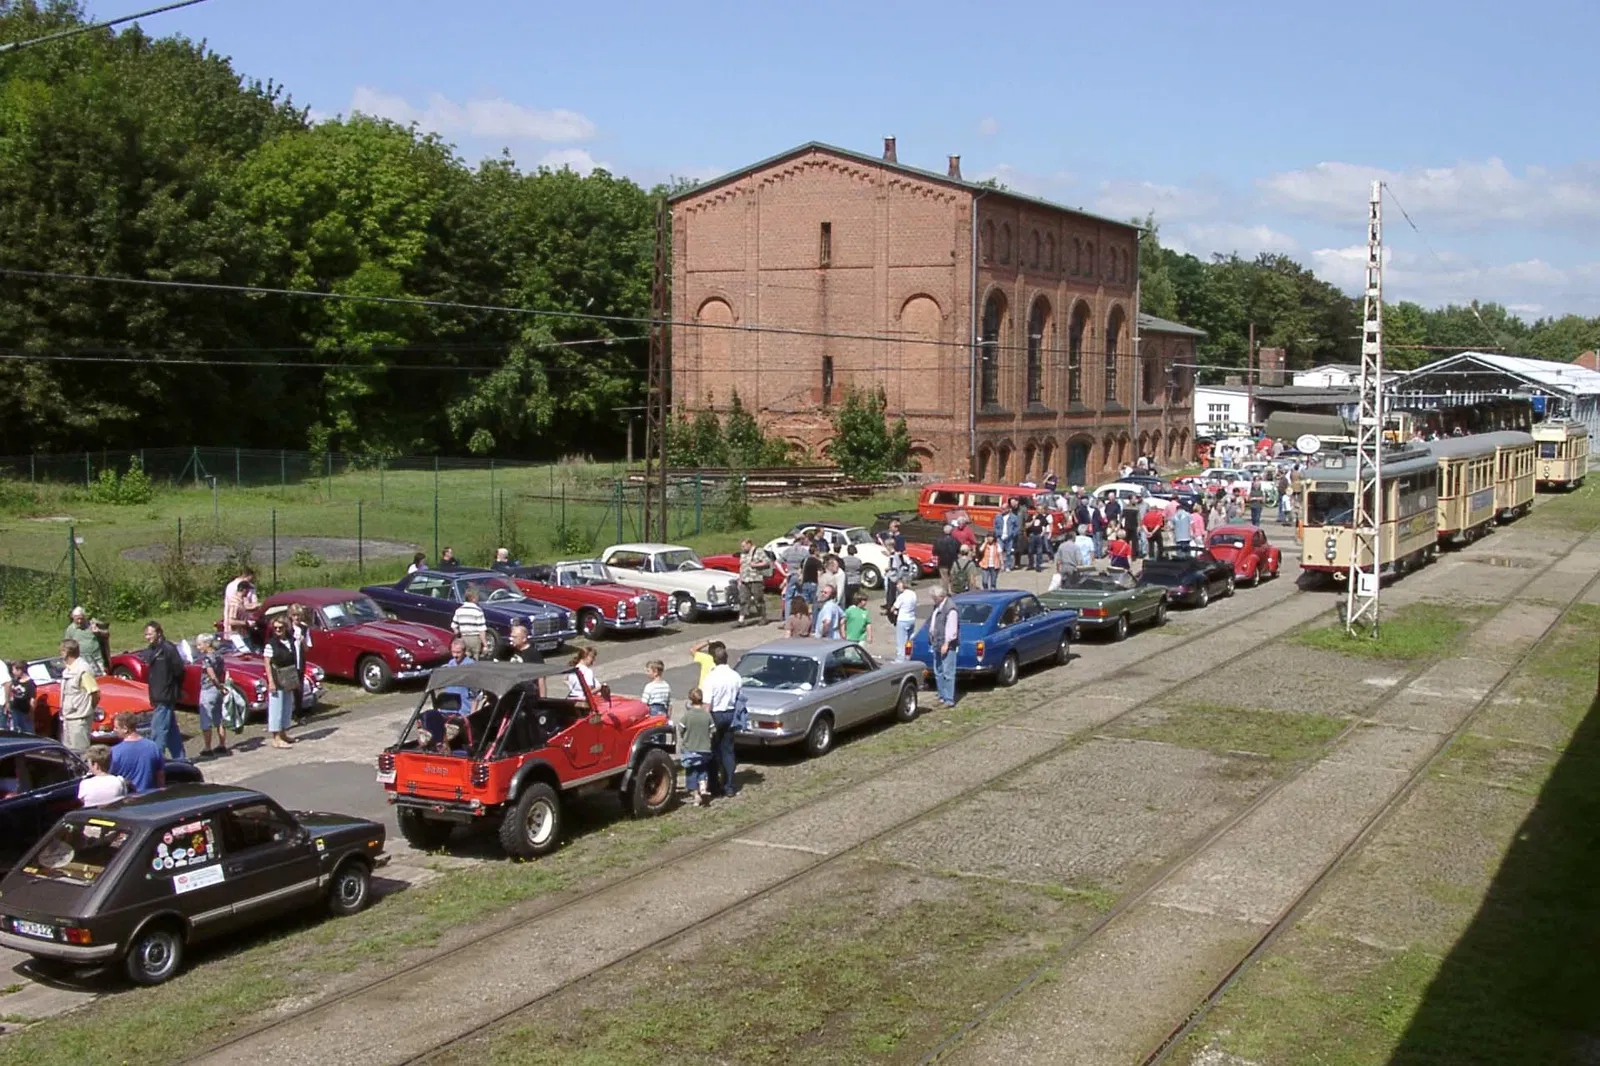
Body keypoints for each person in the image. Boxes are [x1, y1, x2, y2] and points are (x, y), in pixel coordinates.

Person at [140, 622, 186, 759]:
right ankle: (180, 759)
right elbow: (147, 660)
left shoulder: (168, 649)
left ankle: (157, 760)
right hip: (157, 694)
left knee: (158, 730)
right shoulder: (152, 650)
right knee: (172, 731)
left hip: (165, 695)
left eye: (150, 634)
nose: (147, 637)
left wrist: (174, 688)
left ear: (159, 633)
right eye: (146, 634)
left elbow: (179, 670)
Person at [703, 645, 743, 799]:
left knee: (713, 751)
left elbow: (707, 704)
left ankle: (714, 786)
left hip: (716, 714)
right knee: (728, 750)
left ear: (714, 660)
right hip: (731, 713)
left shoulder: (710, 678)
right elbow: (739, 695)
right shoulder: (735, 676)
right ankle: (729, 786)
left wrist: (706, 723)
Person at [262, 614, 299, 749]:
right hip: (277, 678)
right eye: (276, 628)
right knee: (276, 708)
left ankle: (283, 733)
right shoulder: (271, 644)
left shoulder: (290, 640)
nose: (278, 630)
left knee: (287, 706)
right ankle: (276, 738)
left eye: (280, 628)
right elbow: (267, 663)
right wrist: (270, 681)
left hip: (288, 676)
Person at [55, 639, 99, 751]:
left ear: (66, 652)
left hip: (79, 720)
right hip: (68, 718)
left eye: (61, 651)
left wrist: (87, 709)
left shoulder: (83, 669)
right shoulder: (68, 669)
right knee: (68, 752)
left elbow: (95, 693)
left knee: (81, 752)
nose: (60, 653)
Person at [194, 633, 231, 758]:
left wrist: (218, 685)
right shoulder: (219, 655)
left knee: (206, 719)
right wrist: (222, 686)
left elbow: (212, 675)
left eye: (200, 644)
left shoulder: (206, 659)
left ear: (207, 644)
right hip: (218, 691)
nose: (198, 647)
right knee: (219, 718)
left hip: (208, 689)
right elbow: (224, 671)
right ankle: (222, 744)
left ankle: (207, 747)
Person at [676, 688, 715, 807]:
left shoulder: (688, 716)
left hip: (690, 748)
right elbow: (713, 730)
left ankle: (696, 796)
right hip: (704, 749)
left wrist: (684, 737)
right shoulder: (707, 715)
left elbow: (681, 729)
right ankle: (703, 787)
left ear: (690, 700)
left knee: (691, 771)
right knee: (702, 769)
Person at [109, 712, 164, 793]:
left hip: (127, 799)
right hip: (150, 797)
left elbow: (110, 779)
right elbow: (160, 775)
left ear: (125, 729)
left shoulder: (114, 752)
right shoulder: (153, 746)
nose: (114, 730)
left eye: (116, 727)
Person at [928, 587, 960, 708]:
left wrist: (946, 643)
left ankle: (949, 699)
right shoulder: (937, 607)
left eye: (934, 598)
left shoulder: (950, 609)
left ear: (940, 597)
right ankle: (941, 695)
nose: (933, 600)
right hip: (936, 643)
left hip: (947, 644)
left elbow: (952, 630)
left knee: (948, 672)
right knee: (938, 671)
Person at [737, 538, 773, 626]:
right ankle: (741, 619)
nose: (742, 548)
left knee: (758, 599)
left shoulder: (758, 551)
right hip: (745, 580)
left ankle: (763, 617)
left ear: (749, 544)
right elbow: (742, 566)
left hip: (755, 579)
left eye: (744, 546)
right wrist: (740, 579)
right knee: (743, 599)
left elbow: (767, 562)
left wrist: (756, 565)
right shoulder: (743, 554)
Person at [63, 606, 107, 676]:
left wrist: (98, 632)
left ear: (84, 617)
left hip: (96, 659)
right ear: (73, 618)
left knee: (100, 679)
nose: (79, 621)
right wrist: (67, 662)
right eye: (77, 619)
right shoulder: (70, 629)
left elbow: (107, 635)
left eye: (81, 619)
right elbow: (66, 646)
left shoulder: (92, 625)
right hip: (81, 661)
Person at [223, 578, 259, 651]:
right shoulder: (235, 603)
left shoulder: (242, 601)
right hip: (237, 636)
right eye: (248, 590)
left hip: (244, 634)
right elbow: (231, 621)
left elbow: (245, 609)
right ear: (244, 590)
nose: (249, 592)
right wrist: (246, 623)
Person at [451, 588, 488, 658]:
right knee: (475, 657)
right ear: (473, 598)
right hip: (475, 638)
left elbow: (453, 626)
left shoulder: (459, 610)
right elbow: (481, 629)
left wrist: (458, 634)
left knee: (464, 657)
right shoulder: (478, 611)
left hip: (464, 637)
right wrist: (485, 644)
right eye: (477, 597)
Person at [779, 536, 809, 621]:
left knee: (788, 598)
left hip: (791, 575)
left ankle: (787, 619)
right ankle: (803, 616)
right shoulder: (804, 551)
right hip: (800, 576)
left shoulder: (788, 551)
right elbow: (806, 564)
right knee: (803, 596)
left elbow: (777, 562)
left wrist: (784, 573)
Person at [4, 660, 36, 733]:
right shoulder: (16, 681)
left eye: (13, 670)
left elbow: (32, 700)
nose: (12, 672)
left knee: (27, 731)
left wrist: (30, 713)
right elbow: (11, 693)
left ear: (20, 670)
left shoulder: (30, 684)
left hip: (25, 711)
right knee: (15, 730)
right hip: (15, 710)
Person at [892, 581, 918, 661]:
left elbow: (894, 608)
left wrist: (893, 611)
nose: (897, 586)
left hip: (903, 619)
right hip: (911, 619)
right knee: (909, 641)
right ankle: (908, 656)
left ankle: (900, 659)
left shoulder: (902, 596)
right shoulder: (913, 594)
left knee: (901, 642)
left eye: (898, 584)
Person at [933, 523, 960, 593]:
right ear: (951, 531)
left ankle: (945, 592)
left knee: (944, 578)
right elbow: (958, 550)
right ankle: (953, 591)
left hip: (942, 562)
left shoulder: (938, 540)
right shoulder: (955, 540)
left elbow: (935, 552)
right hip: (953, 562)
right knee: (953, 577)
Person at [995, 503, 1020, 573]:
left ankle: (1007, 566)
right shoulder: (998, 517)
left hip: (1009, 537)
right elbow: (995, 526)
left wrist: (1012, 534)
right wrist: (998, 534)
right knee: (999, 552)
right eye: (1001, 508)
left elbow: (1017, 527)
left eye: (1004, 509)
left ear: (1008, 509)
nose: (1002, 510)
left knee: (1008, 553)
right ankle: (1000, 566)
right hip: (1000, 537)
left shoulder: (1014, 517)